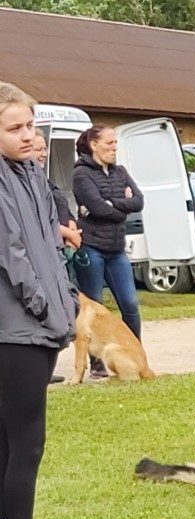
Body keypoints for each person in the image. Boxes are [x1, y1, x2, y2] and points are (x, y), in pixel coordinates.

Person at [0, 81, 80, 519]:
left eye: (31, 126)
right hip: (15, 333)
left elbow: (49, 246)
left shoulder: (30, 175)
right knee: (23, 446)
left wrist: (67, 297)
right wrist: (48, 309)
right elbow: (14, 258)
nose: (30, 136)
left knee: (12, 447)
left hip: (40, 327)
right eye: (15, 129)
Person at [72, 124, 144, 378]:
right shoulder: (82, 174)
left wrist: (112, 204)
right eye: (110, 143)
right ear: (94, 145)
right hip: (92, 248)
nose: (115, 148)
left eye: (116, 143)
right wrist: (118, 206)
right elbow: (97, 208)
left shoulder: (120, 172)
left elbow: (139, 201)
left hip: (116, 249)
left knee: (130, 304)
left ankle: (136, 355)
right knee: (94, 307)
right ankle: (97, 364)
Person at [32, 134, 80, 385]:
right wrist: (67, 232)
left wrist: (71, 223)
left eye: (44, 148)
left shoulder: (44, 179)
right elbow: (34, 221)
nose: (42, 153)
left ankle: (48, 368)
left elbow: (58, 207)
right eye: (37, 148)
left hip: (60, 250)